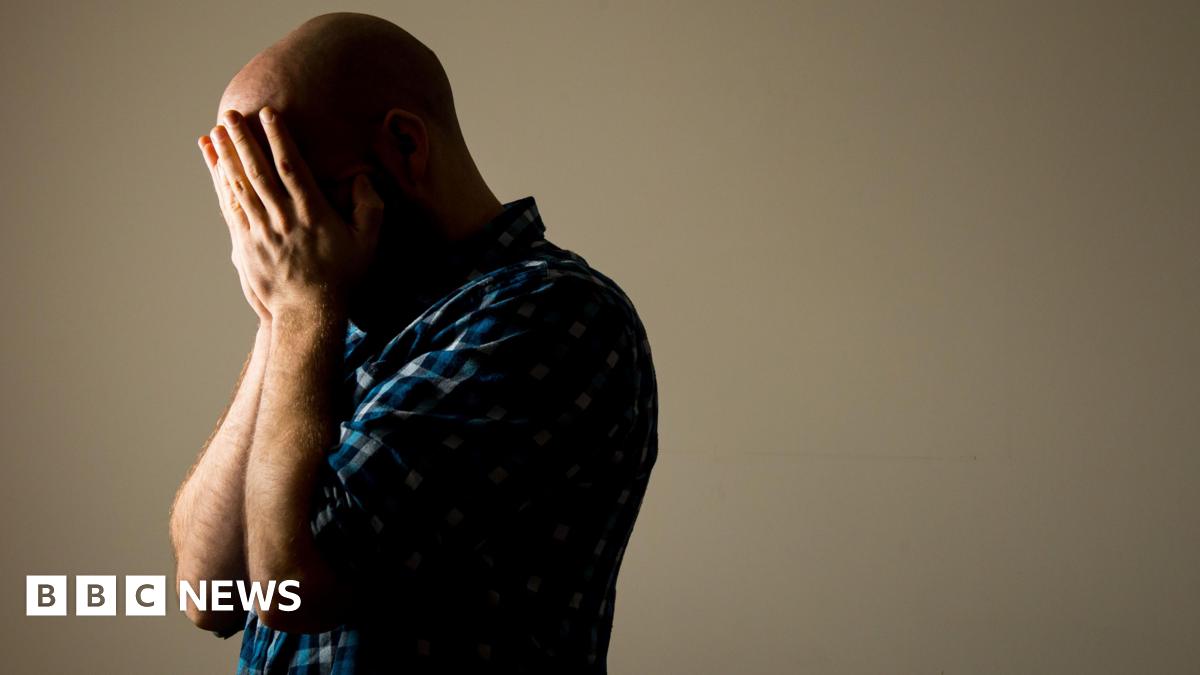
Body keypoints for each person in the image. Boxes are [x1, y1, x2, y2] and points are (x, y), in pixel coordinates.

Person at [167, 11, 658, 674]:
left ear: (403, 146)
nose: (276, 234)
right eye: (255, 207)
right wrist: (281, 315)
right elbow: (208, 592)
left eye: (291, 194)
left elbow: (296, 583)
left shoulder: (553, 312)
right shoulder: (321, 323)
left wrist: (299, 310)